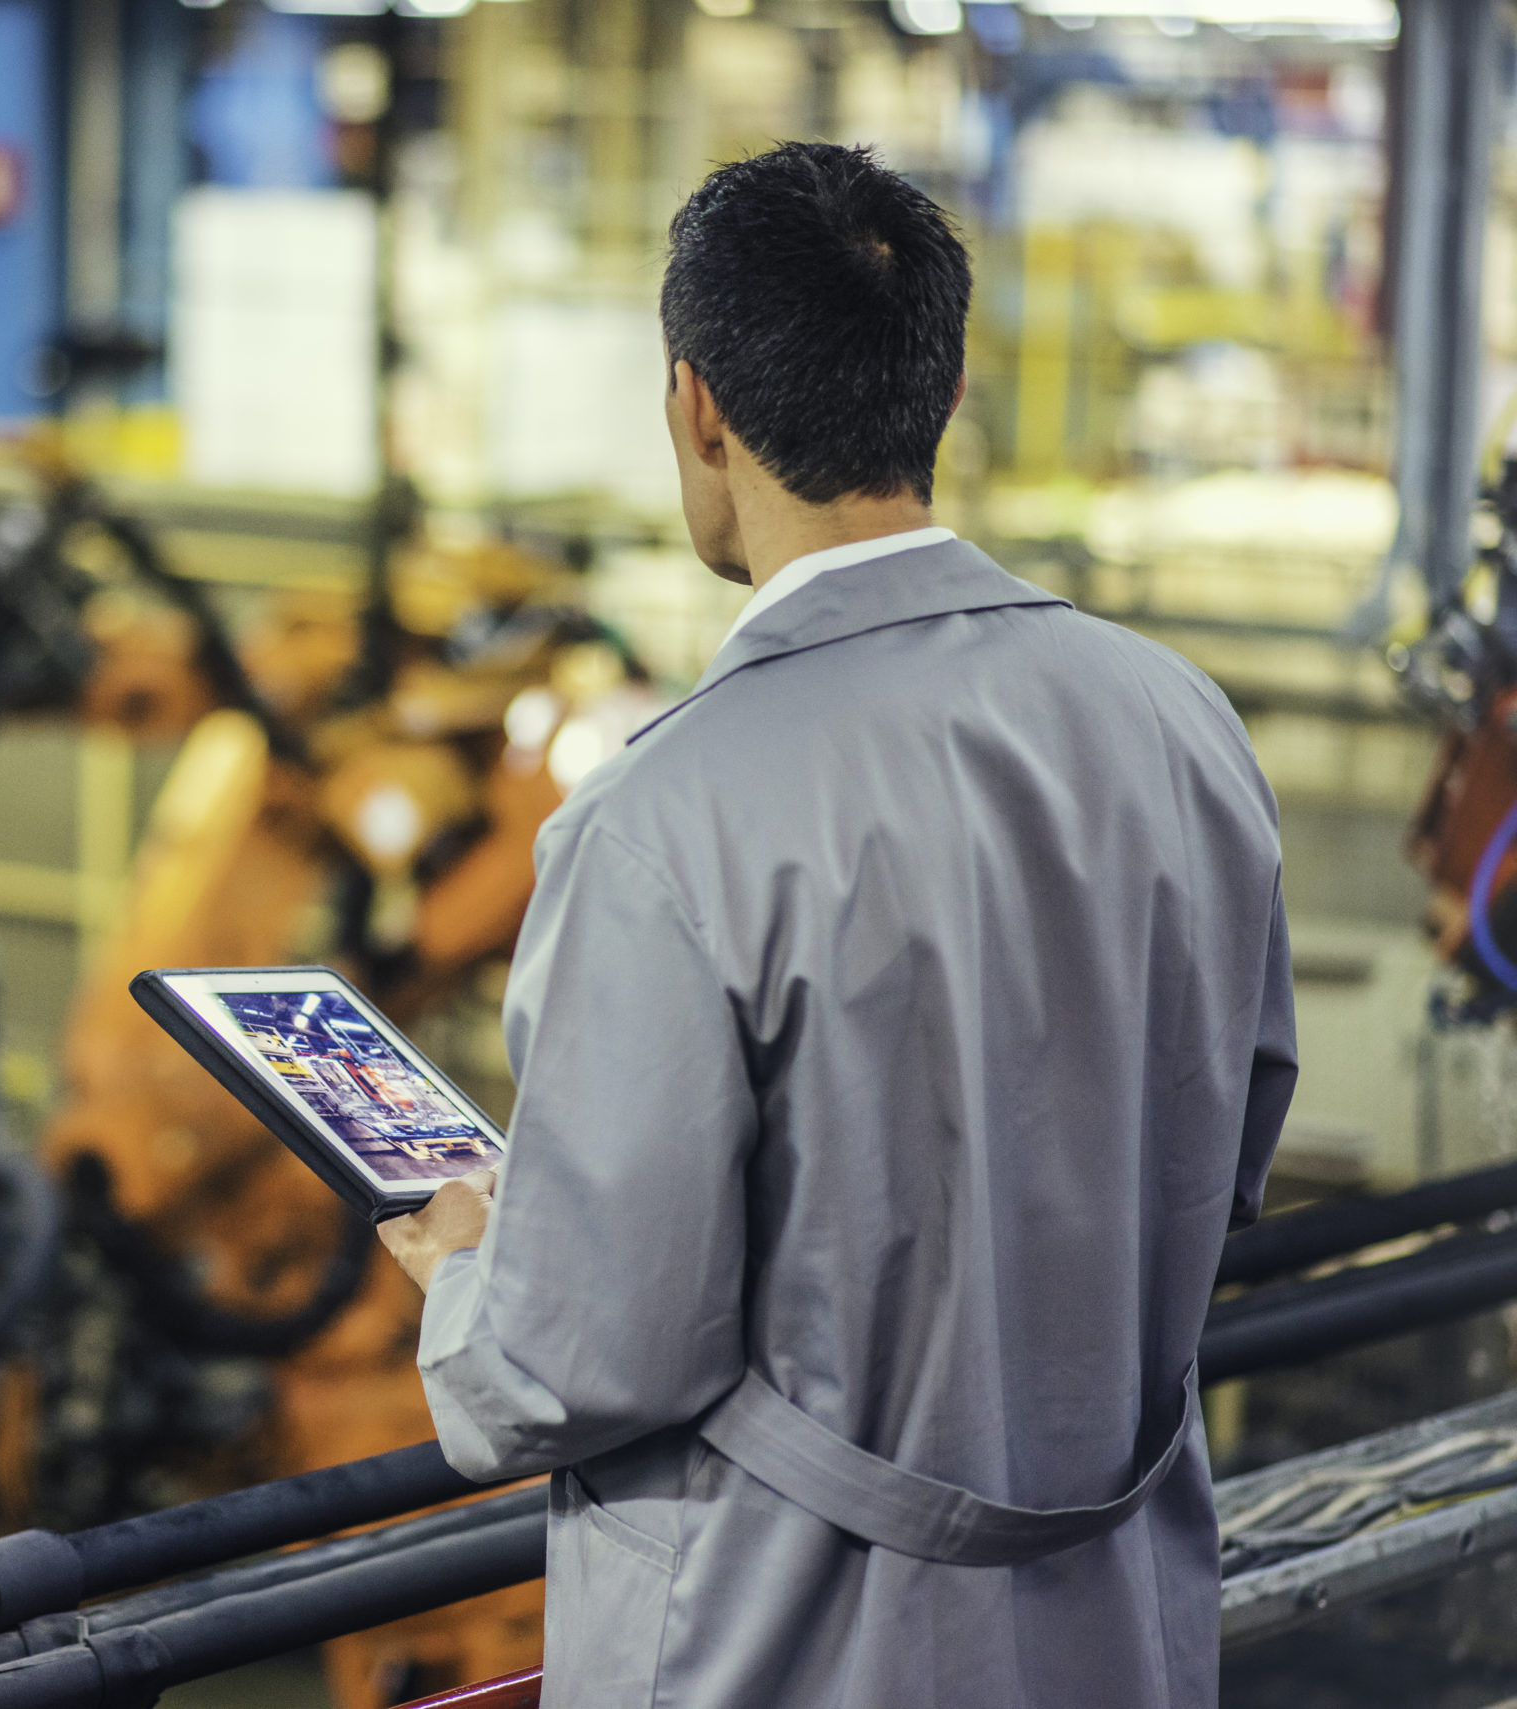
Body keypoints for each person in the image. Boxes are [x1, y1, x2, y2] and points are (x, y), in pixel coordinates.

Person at [377, 142, 1295, 1709]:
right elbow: (1231, 1149)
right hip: (1113, 1623)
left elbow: (584, 1359)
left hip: (793, 1648)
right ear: (939, 403)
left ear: (697, 410)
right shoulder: (1178, 722)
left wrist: (473, 1271)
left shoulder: (666, 818)